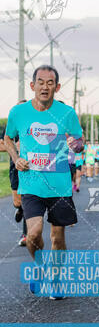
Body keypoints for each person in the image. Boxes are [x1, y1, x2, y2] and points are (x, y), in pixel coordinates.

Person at [3, 65, 83, 299]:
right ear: (32, 85)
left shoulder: (66, 113)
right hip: (31, 184)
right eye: (40, 82)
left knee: (58, 237)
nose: (45, 86)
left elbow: (79, 140)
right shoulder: (19, 113)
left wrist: (75, 145)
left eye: (50, 83)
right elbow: (8, 138)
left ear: (57, 87)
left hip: (59, 185)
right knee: (35, 233)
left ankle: (56, 280)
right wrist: (16, 159)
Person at [0, 100, 28, 246]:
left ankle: (26, 235)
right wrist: (13, 148)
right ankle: (20, 210)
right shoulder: (12, 127)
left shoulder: (33, 126)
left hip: (30, 168)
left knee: (27, 199)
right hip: (14, 167)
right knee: (18, 202)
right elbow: (2, 145)